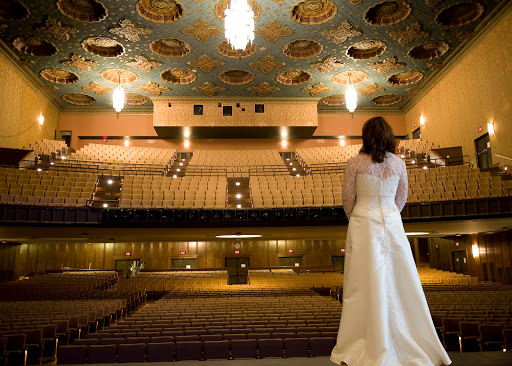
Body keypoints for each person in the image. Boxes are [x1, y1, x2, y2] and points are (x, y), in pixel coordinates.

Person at [330, 117, 451, 366]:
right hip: (393, 224)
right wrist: (388, 215)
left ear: (366, 136)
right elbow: (401, 199)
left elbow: (347, 202)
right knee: (400, 280)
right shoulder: (399, 164)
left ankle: (369, 342)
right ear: (389, 135)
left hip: (363, 224)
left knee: (363, 284)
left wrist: (363, 217)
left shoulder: (354, 163)